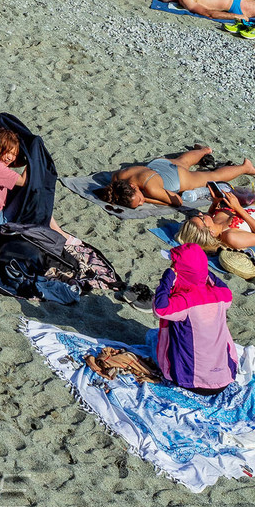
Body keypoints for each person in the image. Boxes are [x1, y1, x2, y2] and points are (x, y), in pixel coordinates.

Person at [153, 224, 238, 392]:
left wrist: (168, 277)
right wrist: (205, 273)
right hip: (224, 378)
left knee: (156, 337)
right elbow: (226, 290)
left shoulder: (184, 301)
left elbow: (160, 308)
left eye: (173, 265)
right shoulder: (220, 296)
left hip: (192, 381)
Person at [103, 148, 255, 212]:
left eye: (140, 200)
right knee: (182, 161)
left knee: (213, 177)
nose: (143, 202)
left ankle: (245, 168)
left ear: (133, 187)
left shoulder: (152, 189)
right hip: (157, 165)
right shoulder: (117, 177)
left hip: (177, 179)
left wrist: (151, 200)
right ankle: (204, 150)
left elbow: (177, 201)